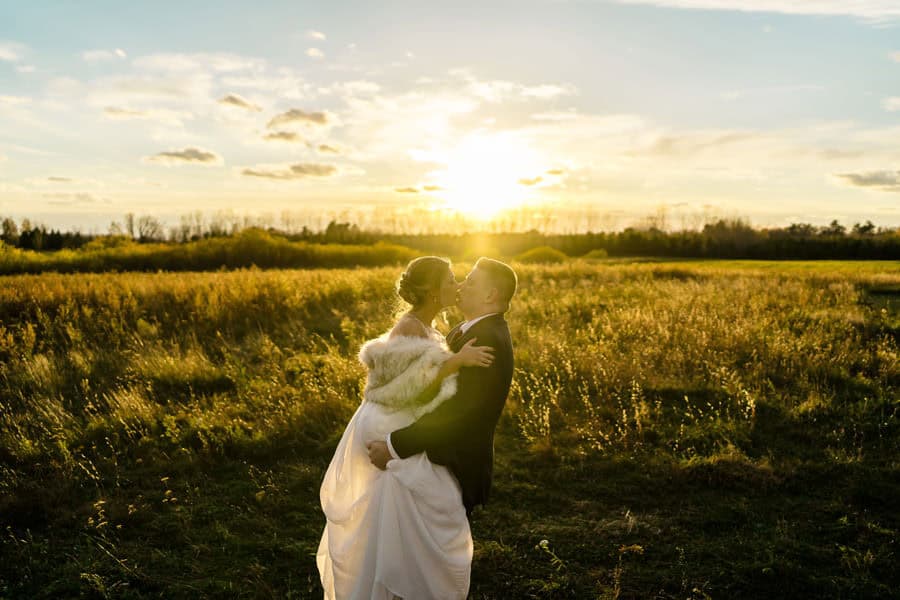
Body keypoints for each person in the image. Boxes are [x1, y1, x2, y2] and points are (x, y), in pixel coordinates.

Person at [316, 256, 498, 600]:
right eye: (450, 280)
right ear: (432, 291)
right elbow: (397, 389)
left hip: (402, 420)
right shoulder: (408, 328)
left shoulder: (429, 327)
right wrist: (453, 363)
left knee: (418, 506)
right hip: (387, 421)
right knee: (399, 504)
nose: (457, 286)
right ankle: (393, 583)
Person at [368, 258, 517, 523]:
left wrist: (394, 447)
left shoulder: (487, 339)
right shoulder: (465, 330)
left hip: (453, 461)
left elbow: (459, 410)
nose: (461, 285)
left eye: (470, 282)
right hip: (436, 450)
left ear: (490, 295)